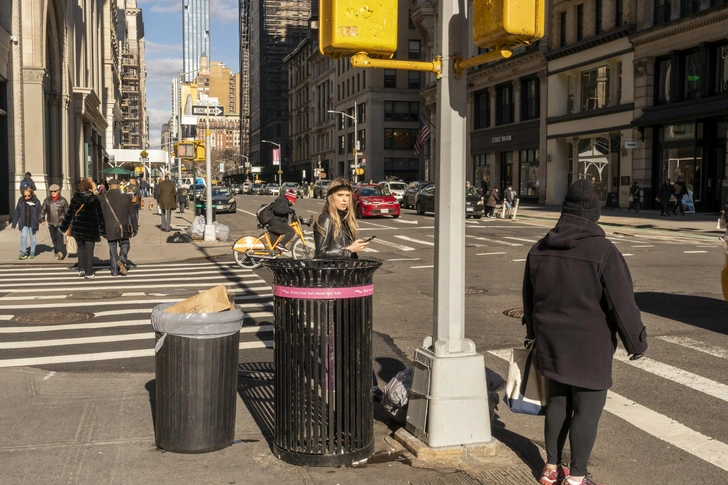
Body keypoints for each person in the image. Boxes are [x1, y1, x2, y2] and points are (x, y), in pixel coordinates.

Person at [522, 179, 647, 485]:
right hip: (590, 347)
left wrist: (533, 333)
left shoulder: (539, 248)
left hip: (551, 344)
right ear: (594, 213)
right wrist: (636, 341)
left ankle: (551, 469)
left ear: (564, 211)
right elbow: (622, 304)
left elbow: (529, 298)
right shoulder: (604, 251)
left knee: (557, 403)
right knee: (587, 412)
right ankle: (577, 477)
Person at [313, 178, 370, 258]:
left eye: (347, 195)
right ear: (331, 197)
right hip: (333, 270)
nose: (344, 199)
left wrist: (356, 247)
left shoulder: (343, 217)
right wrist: (350, 249)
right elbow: (321, 254)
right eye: (340, 195)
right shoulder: (326, 219)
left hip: (345, 269)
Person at [60, 178, 105, 279]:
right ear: (89, 187)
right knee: (89, 251)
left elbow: (69, 214)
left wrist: (63, 227)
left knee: (80, 249)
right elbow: (100, 216)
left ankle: (81, 269)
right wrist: (103, 230)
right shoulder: (94, 199)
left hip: (78, 228)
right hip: (90, 228)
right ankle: (89, 272)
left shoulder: (75, 198)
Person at [99, 179, 138, 276]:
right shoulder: (125, 197)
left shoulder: (102, 198)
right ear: (118, 185)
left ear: (109, 185)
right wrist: (135, 226)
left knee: (112, 248)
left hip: (109, 226)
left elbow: (100, 215)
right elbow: (132, 213)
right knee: (125, 244)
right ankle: (122, 258)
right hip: (123, 225)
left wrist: (101, 229)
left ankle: (114, 271)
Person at [40, 184, 69, 259]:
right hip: (51, 222)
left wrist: (68, 223)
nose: (53, 193)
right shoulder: (47, 200)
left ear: (58, 191)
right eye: (51, 191)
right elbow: (42, 211)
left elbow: (67, 212)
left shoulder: (63, 200)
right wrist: (42, 219)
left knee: (59, 237)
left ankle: (60, 253)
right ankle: (57, 251)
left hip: (60, 223)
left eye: (55, 191)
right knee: (54, 238)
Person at [11, 186, 42, 259]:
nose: (27, 197)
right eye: (25, 195)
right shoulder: (21, 201)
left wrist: (41, 220)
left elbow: (40, 212)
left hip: (33, 223)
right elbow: (17, 212)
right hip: (23, 222)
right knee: (23, 237)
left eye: (28, 195)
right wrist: (14, 223)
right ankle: (24, 252)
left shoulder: (36, 201)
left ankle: (32, 252)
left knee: (33, 237)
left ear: (32, 194)